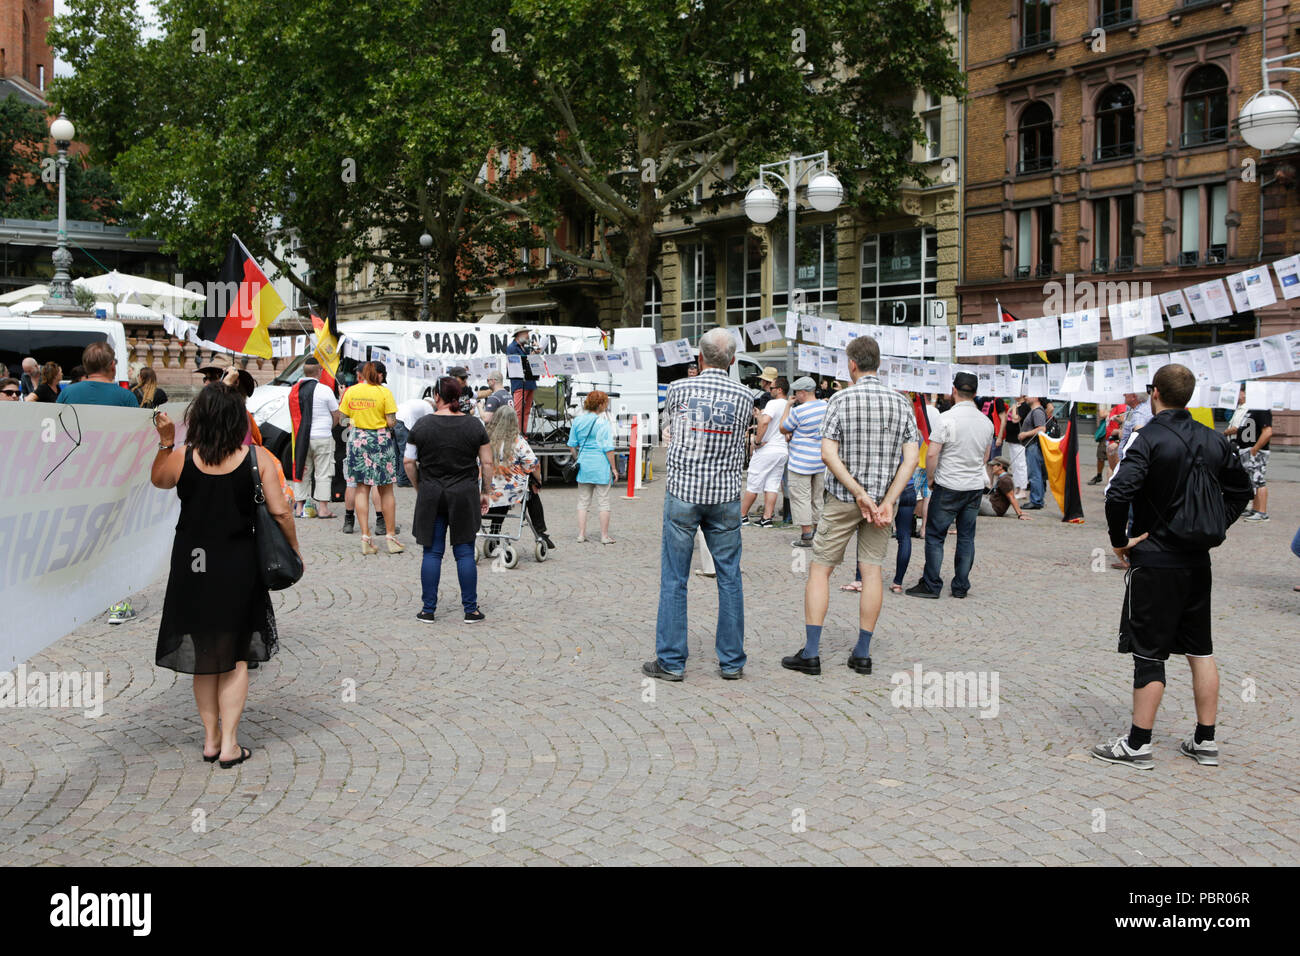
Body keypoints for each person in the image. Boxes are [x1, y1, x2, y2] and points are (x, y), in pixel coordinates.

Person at [1091, 364, 1252, 770]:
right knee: (1201, 650)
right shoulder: (1215, 439)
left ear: (1155, 393)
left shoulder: (1149, 438)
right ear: (1189, 395)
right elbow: (1241, 491)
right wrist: (1213, 524)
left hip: (1156, 558)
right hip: (1198, 561)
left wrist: (1118, 541)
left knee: (1149, 651)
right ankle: (1205, 740)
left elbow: (1117, 495)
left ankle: (1138, 744)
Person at [148, 384, 297, 769]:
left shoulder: (183, 455)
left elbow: (160, 481)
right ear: (237, 420)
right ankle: (230, 742)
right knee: (238, 656)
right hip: (238, 564)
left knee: (205, 655)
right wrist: (293, 551)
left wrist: (166, 443)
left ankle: (211, 739)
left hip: (192, 564)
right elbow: (281, 512)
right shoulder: (257, 457)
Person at [782, 334, 918, 677]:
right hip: (882, 505)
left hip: (843, 499)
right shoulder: (901, 402)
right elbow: (911, 459)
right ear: (879, 364)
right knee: (872, 571)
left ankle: (811, 653)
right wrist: (887, 500)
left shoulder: (840, 400)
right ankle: (862, 653)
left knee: (820, 569)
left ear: (852, 365)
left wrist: (857, 491)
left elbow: (828, 453)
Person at [645, 327, 755, 681]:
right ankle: (732, 661)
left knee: (675, 578)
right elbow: (742, 440)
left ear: (699, 358)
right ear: (734, 360)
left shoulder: (678, 389)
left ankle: (672, 661)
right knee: (729, 578)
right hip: (724, 494)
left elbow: (669, 431)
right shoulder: (744, 396)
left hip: (684, 491)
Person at [403, 376, 492, 623]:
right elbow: (487, 462)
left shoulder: (421, 425)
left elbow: (409, 462)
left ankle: (428, 609)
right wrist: (485, 491)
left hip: (431, 492)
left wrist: (419, 486)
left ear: (437, 396)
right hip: (464, 492)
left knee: (432, 552)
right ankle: (470, 610)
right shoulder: (475, 426)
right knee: (464, 552)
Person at [906, 372, 994, 600]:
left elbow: (933, 453)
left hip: (948, 483)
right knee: (966, 537)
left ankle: (931, 584)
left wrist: (932, 478)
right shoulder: (986, 422)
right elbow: (985, 456)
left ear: (954, 390)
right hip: (973, 485)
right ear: (975, 394)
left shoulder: (946, 419)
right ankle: (961, 586)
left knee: (936, 536)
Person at [339, 361, 402, 554]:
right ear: (380, 375)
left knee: (361, 488)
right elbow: (391, 422)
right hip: (381, 440)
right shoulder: (384, 393)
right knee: (386, 490)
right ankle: (390, 537)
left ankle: (365, 537)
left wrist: (357, 421)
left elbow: (342, 419)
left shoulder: (351, 392)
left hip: (358, 439)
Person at [484, 406, 553, 548]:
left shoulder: (486, 440)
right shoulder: (517, 441)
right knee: (531, 494)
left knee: (500, 493)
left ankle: (494, 532)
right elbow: (533, 464)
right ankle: (540, 532)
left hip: (490, 490)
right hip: (513, 490)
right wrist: (538, 481)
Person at [289, 358, 341, 518]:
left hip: (301, 438)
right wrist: (328, 427)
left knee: (302, 471)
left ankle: (299, 507)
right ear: (319, 371)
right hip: (322, 437)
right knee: (323, 472)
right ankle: (323, 509)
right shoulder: (325, 390)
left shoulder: (294, 391)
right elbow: (336, 415)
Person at [782, 376, 827, 548]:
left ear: (802, 393)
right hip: (821, 461)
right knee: (818, 498)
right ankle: (818, 533)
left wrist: (788, 406)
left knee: (801, 498)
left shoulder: (798, 411)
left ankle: (806, 535)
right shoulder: (826, 406)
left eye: (796, 393)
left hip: (801, 462)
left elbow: (783, 427)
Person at [568, 390, 619, 544]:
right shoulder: (603, 423)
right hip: (601, 466)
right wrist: (614, 469)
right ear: (601, 404)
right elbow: (608, 448)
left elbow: (571, 445)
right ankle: (604, 536)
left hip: (584, 465)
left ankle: (581, 534)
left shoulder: (577, 421)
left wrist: (578, 458)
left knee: (583, 501)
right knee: (603, 501)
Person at [740, 376, 789, 527]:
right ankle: (767, 517)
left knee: (753, 483)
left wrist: (757, 441)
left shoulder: (773, 403)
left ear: (779, 390)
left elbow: (766, 421)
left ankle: (741, 515)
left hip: (767, 449)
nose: (770, 390)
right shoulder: (788, 405)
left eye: (772, 388)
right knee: (772, 485)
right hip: (781, 449)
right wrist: (759, 416)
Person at [1225, 385, 1273, 522]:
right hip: (1247, 449)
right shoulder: (1252, 409)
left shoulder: (1262, 409)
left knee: (1259, 480)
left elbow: (1267, 432)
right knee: (1253, 480)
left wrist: (1255, 449)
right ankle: (1255, 509)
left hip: (1256, 452)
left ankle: (1262, 513)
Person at [56, 342, 138, 408]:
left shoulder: (67, 393)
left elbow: (55, 423)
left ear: (85, 366)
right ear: (112, 365)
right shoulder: (127, 397)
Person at [394, 394, 435, 488]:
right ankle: (403, 480)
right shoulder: (429, 407)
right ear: (433, 404)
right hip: (404, 421)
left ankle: (397, 475)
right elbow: (429, 426)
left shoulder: (416, 402)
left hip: (395, 418)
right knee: (404, 452)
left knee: (397, 451)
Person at [1017, 395, 1049, 510]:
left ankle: (1036, 500)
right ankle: (1037, 499)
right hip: (1032, 446)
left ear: (1036, 397)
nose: (1026, 397)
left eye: (1029, 394)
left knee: (1034, 474)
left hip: (1033, 446)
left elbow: (1041, 428)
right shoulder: (1035, 411)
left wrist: (1025, 434)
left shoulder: (1037, 412)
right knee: (1036, 473)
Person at [506, 329, 538, 429]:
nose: (528, 335)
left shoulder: (526, 347)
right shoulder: (512, 347)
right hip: (519, 383)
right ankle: (517, 435)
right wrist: (531, 355)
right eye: (526, 333)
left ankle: (523, 434)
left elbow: (530, 363)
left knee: (527, 410)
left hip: (530, 381)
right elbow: (517, 363)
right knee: (518, 410)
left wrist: (535, 351)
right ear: (519, 335)